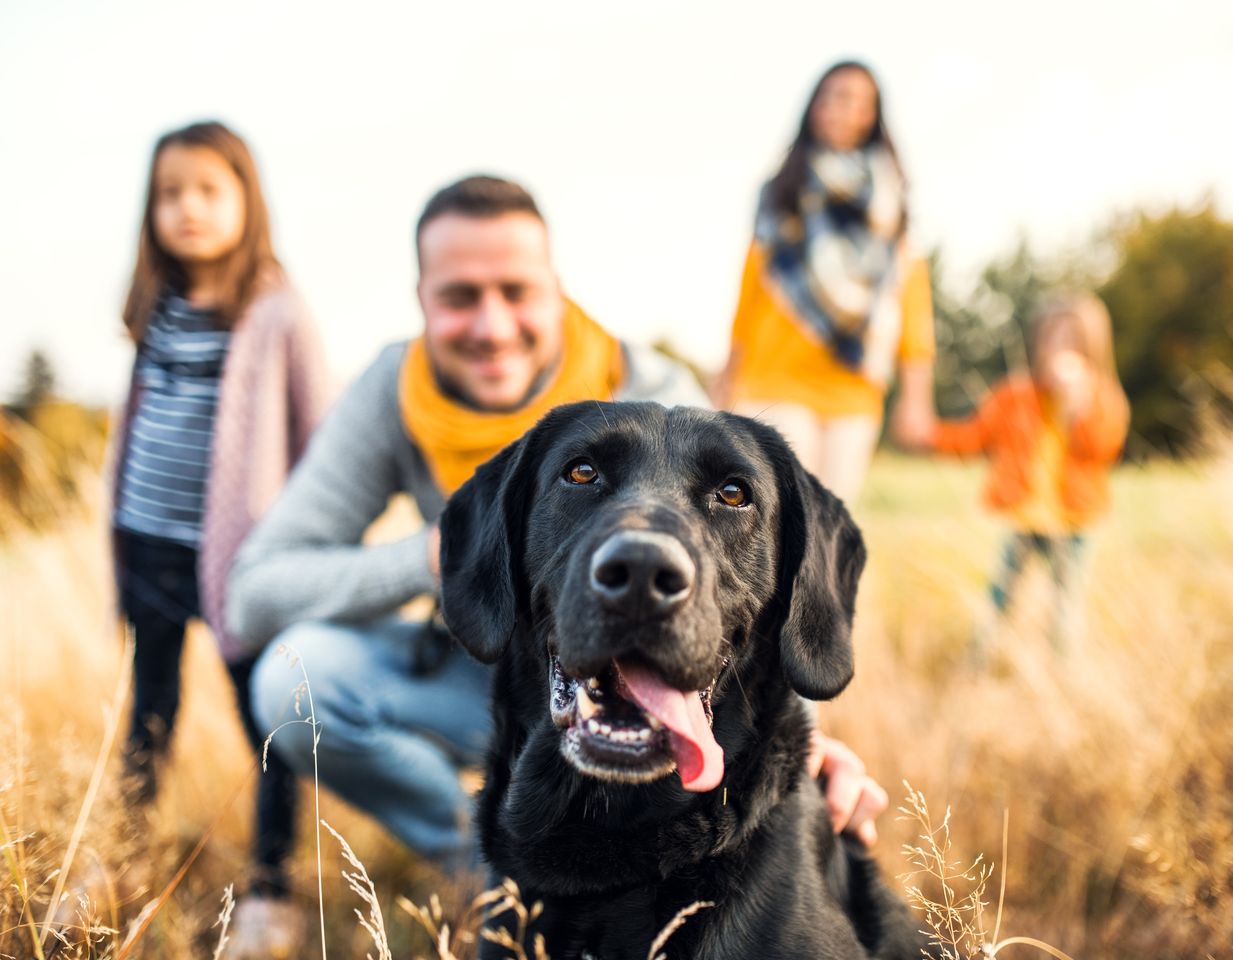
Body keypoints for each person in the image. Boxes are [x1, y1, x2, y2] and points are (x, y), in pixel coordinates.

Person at [231, 175, 889, 885]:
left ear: (556, 289)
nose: (491, 326)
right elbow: (256, 592)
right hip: (482, 663)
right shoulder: (393, 392)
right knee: (294, 680)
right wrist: (442, 556)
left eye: (516, 292)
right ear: (421, 300)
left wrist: (810, 745)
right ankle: (494, 870)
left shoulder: (656, 394)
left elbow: (741, 584)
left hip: (642, 669)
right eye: (459, 297)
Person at [109, 121, 331, 946]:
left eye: (208, 190)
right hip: (148, 545)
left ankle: (272, 885)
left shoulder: (276, 307)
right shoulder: (154, 307)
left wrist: (305, 544)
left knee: (267, 718)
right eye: (170, 194)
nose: (188, 209)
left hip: (243, 564)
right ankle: (124, 856)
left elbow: (322, 432)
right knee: (149, 712)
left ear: (247, 200)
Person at [720, 60, 936, 504]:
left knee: (829, 525)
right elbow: (750, 291)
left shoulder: (892, 204)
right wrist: (725, 378)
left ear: (873, 117)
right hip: (774, 379)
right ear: (815, 106)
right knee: (776, 513)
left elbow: (911, 299)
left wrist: (917, 397)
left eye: (860, 102)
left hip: (853, 388)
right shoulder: (781, 190)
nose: (845, 109)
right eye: (835, 95)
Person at [927, 292, 1129, 650]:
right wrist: (929, 434)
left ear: (1092, 347)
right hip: (1024, 517)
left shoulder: (1103, 398)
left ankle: (1062, 668)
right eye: (1051, 338)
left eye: (1071, 340)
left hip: (1074, 522)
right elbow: (975, 436)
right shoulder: (1015, 396)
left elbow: (1103, 448)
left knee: (1065, 603)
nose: (1059, 349)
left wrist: (1077, 406)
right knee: (1000, 595)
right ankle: (979, 659)